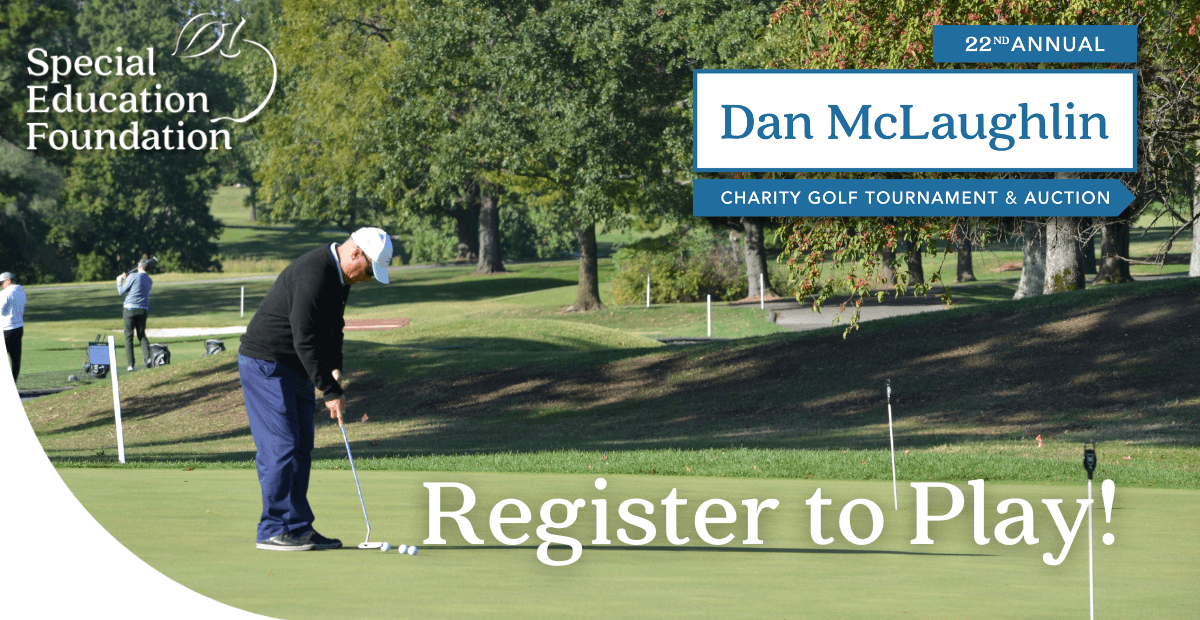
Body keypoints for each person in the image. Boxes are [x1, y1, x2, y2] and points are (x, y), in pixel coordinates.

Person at [238, 227, 393, 551]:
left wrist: (335, 367)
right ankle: (272, 529)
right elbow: (304, 338)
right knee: (281, 448)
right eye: (367, 271)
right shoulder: (313, 273)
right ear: (355, 254)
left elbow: (333, 328)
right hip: (266, 364)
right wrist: (330, 389)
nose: (366, 280)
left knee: (301, 447)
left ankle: (297, 528)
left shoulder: (339, 279)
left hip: (294, 367)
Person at [117, 258, 154, 372]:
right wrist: (126, 279)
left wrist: (119, 281)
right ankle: (148, 359)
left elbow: (121, 291)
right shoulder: (149, 280)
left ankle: (130, 365)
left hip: (130, 309)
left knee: (128, 336)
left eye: (138, 263)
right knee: (141, 335)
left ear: (139, 266)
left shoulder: (132, 276)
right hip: (142, 310)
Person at [0, 272, 27, 382]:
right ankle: (13, 383)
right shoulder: (22, 292)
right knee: (15, 358)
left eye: (2, 283)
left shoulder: (5, 293)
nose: (2, 285)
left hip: (6, 329)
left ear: (9, 281)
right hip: (19, 327)